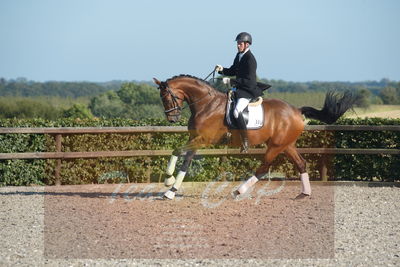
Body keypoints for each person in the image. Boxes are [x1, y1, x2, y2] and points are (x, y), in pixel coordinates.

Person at [215, 32, 261, 153]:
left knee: (236, 111)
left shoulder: (250, 59)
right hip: (238, 89)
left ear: (247, 44)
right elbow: (232, 70)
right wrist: (222, 70)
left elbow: (249, 81)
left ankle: (245, 141)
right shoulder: (239, 55)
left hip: (247, 90)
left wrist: (231, 81)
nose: (238, 45)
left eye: (240, 43)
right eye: (237, 43)